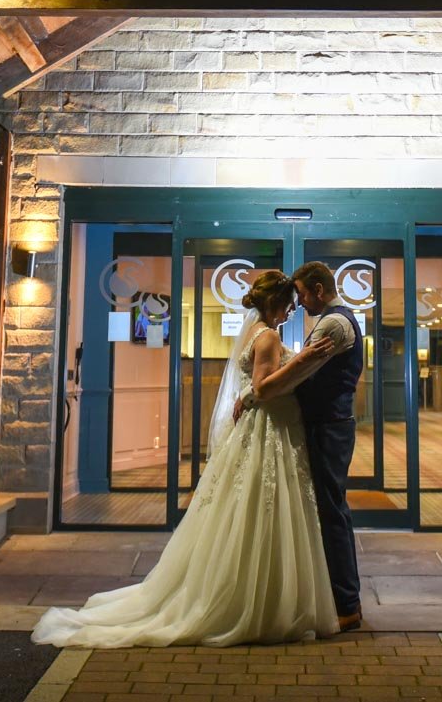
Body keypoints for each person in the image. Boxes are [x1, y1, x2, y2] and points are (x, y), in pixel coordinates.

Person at [30, 270, 338, 648]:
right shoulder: (269, 336)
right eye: (290, 301)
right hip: (269, 433)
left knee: (254, 511)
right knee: (265, 511)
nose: (294, 308)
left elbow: (252, 389)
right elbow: (262, 387)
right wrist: (304, 359)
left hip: (267, 430)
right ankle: (258, 604)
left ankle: (259, 594)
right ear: (276, 301)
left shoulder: (257, 330)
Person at [235, 261, 364, 632]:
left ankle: (346, 603)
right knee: (323, 511)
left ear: (319, 291)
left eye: (304, 295)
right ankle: (331, 597)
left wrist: (253, 392)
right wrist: (253, 392)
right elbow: (277, 380)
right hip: (319, 425)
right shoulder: (313, 325)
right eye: (294, 298)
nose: (300, 303)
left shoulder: (335, 324)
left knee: (331, 512)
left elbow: (296, 375)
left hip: (330, 427)